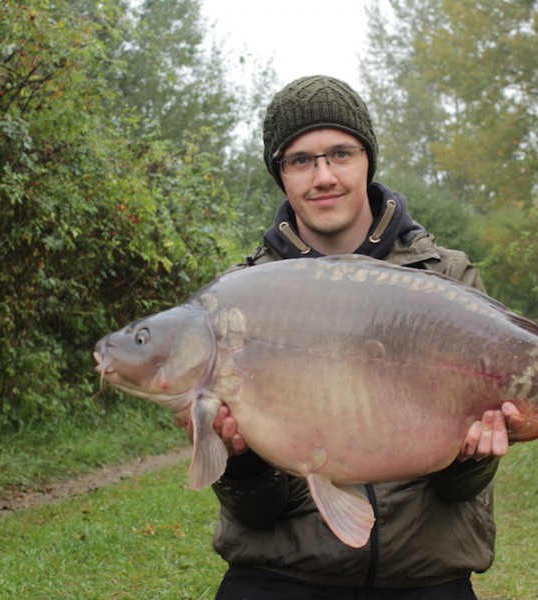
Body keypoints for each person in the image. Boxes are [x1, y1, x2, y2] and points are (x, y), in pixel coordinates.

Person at [205, 75, 518, 599]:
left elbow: (457, 491)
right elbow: (255, 513)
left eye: (340, 153)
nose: (323, 175)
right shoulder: (239, 303)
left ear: (367, 159)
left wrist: (473, 457)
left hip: (425, 575)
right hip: (281, 572)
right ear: (280, 175)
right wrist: (242, 459)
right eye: (300, 160)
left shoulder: (448, 279)